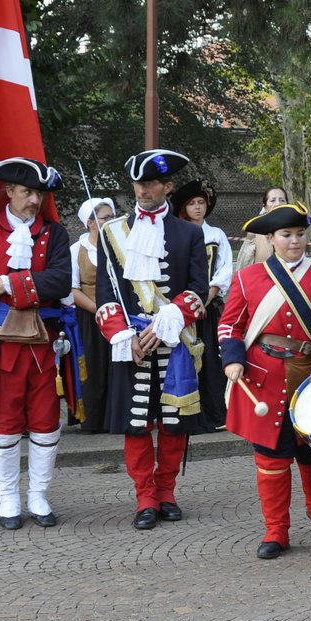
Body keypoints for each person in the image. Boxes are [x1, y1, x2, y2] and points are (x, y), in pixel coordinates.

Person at [219, 203, 311, 559]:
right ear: (271, 239)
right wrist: (233, 360)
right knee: (271, 458)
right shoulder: (247, 277)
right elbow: (229, 326)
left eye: (300, 234)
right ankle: (276, 531)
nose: (295, 242)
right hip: (263, 378)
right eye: (286, 235)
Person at [95, 149, 210, 530]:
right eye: (138, 183)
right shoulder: (113, 234)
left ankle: (166, 491)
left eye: (150, 183)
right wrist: (124, 336)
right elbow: (104, 296)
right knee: (137, 423)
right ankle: (145, 496)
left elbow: (197, 290)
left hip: (172, 341)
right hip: (133, 345)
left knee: (174, 423)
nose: (142, 190)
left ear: (167, 186)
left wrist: (168, 320)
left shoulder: (190, 233)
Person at [0, 157, 73, 530]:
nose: (34, 200)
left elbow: (59, 281)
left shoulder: (55, 234)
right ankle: (8, 496)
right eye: (26, 192)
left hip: (44, 341)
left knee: (45, 420)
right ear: (8, 191)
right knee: (4, 420)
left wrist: (7, 284)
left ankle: (38, 494)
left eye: (39, 193)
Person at [169, 179, 233, 431]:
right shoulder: (177, 234)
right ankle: (187, 416)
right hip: (180, 309)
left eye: (201, 203)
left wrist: (205, 298)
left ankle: (215, 414)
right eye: (192, 203)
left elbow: (224, 269)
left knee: (210, 361)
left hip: (208, 308)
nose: (198, 208)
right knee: (183, 360)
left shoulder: (216, 235)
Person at [70, 196, 116, 434]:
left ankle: (116, 418)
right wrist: (98, 310)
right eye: (105, 218)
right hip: (90, 317)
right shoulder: (76, 250)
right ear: (90, 223)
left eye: (112, 217)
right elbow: (72, 288)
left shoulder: (121, 246)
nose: (110, 221)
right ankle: (94, 420)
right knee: (94, 367)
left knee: (117, 367)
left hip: (119, 317)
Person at [235, 186, 290, 272]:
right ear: (264, 206)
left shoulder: (295, 230)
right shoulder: (255, 232)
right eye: (273, 200)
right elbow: (243, 266)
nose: (278, 204)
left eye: (282, 200)